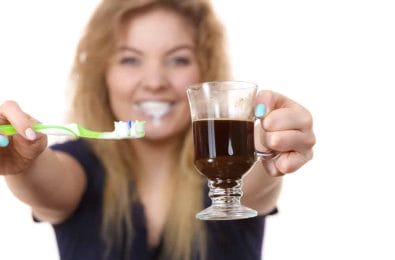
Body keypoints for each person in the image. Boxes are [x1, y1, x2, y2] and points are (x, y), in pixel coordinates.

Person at [0, 0, 315, 259]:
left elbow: (254, 183)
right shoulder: (78, 164)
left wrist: (267, 147)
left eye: (178, 60)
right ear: (102, 74)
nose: (154, 81)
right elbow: (45, 184)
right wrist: (22, 163)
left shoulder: (221, 157)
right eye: (130, 60)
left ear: (205, 70)